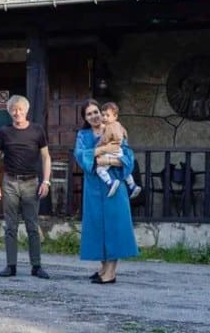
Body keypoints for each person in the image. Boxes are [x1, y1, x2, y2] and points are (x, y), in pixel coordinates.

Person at [74, 99, 138, 284]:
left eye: (96, 112)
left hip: (114, 184)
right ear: (85, 118)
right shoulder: (83, 135)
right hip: (94, 187)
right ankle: (104, 268)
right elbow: (80, 155)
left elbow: (127, 157)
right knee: (97, 227)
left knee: (113, 226)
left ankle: (111, 272)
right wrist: (102, 150)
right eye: (89, 114)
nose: (94, 116)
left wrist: (107, 160)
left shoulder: (115, 128)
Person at [0, 95, 51, 279]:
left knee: (32, 225)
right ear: (9, 112)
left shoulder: (37, 130)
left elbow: (46, 157)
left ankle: (36, 265)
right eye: (13, 110)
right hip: (9, 182)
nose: (17, 113)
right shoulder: (4, 132)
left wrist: (46, 181)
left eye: (20, 109)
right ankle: (11, 265)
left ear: (26, 110)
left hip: (31, 182)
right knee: (11, 226)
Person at [96, 102, 142, 199]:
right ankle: (132, 185)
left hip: (111, 152)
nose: (104, 118)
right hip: (119, 152)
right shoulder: (119, 125)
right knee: (124, 170)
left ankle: (110, 182)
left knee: (99, 169)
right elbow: (125, 134)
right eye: (103, 115)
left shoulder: (109, 127)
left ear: (115, 116)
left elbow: (104, 140)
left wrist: (98, 146)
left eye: (107, 115)